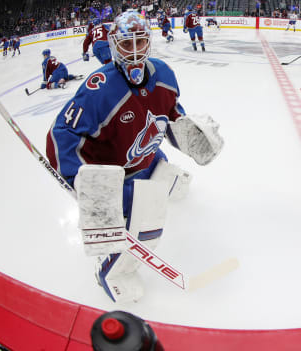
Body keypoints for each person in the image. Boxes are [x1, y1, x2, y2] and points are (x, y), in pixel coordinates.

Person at [45, 10, 224, 303]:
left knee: (172, 181)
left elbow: (170, 114)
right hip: (115, 174)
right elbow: (61, 134)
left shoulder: (164, 73)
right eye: (127, 44)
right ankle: (111, 271)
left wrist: (191, 132)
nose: (135, 51)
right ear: (115, 45)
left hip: (146, 158)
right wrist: (81, 180)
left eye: (140, 42)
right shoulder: (99, 89)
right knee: (148, 222)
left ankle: (154, 186)